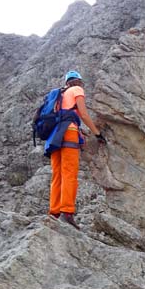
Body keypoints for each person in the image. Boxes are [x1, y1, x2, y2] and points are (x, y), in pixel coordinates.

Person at [48, 70, 104, 229]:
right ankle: (67, 212)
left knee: (57, 174)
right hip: (69, 134)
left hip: (55, 136)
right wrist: (97, 134)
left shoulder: (59, 95)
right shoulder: (77, 90)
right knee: (69, 173)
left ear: (67, 82)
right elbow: (84, 115)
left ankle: (54, 212)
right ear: (78, 81)